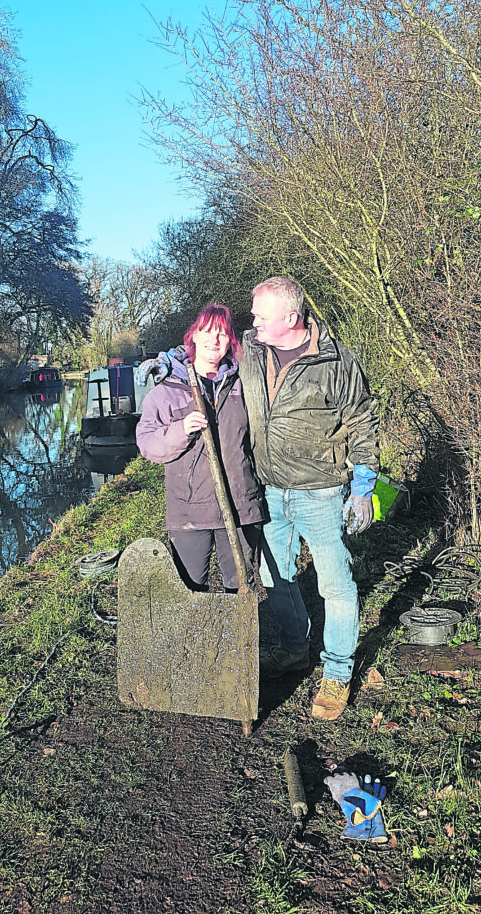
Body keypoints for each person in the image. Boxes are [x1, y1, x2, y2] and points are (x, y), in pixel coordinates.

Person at [138, 277, 379, 720]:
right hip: (265, 489)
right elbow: (206, 350)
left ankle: (338, 673)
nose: (252, 322)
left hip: (320, 490)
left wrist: (363, 486)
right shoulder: (253, 347)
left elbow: (362, 420)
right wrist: (171, 361)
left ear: (290, 318)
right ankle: (293, 650)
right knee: (274, 577)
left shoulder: (338, 362)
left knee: (335, 584)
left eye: (260, 315)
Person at [136, 302, 265, 591]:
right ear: (193, 336)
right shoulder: (168, 390)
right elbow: (147, 444)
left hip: (241, 505)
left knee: (241, 588)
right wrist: (180, 430)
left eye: (221, 334)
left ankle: (235, 637)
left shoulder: (242, 383)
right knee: (190, 591)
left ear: (230, 341)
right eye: (207, 331)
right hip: (189, 513)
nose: (214, 340)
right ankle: (194, 638)